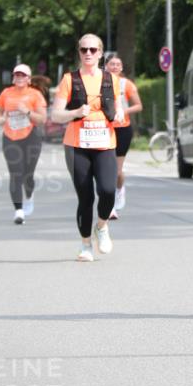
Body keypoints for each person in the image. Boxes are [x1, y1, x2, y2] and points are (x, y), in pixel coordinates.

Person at [51, 34, 123, 261]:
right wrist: (74, 113)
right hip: (76, 146)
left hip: (105, 144)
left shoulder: (112, 79)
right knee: (86, 197)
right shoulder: (69, 80)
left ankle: (101, 226)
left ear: (101, 53)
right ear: (79, 53)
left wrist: (119, 114)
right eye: (84, 50)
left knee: (108, 191)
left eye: (93, 50)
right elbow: (56, 115)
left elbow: (117, 108)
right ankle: (85, 245)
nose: (88, 54)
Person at [0, 64, 47, 224]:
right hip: (10, 136)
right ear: (13, 77)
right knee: (16, 173)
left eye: (23, 75)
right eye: (17, 75)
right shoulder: (6, 93)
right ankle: (18, 210)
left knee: (28, 174)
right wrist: (0, 119)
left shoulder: (35, 94)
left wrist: (27, 112)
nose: (19, 78)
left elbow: (42, 119)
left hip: (31, 136)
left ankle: (29, 196)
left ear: (29, 79)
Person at [105, 54, 143, 218]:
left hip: (122, 129)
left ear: (121, 68)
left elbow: (138, 106)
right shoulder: (100, 83)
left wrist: (123, 111)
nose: (114, 67)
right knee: (107, 169)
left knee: (118, 171)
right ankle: (110, 205)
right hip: (104, 129)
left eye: (117, 65)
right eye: (111, 64)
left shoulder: (126, 84)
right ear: (106, 66)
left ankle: (120, 189)